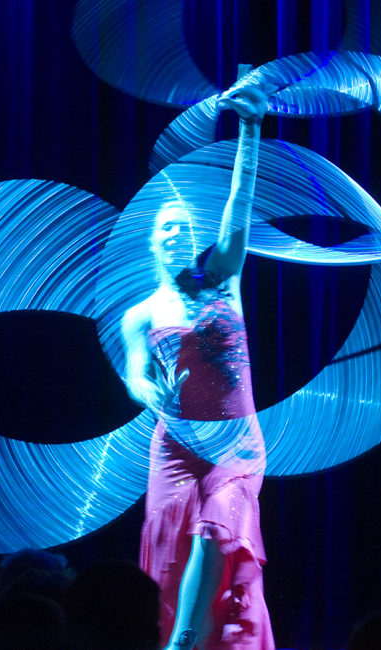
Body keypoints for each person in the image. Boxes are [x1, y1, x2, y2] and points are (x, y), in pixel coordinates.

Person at [122, 71, 276, 650]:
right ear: (151, 240)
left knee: (217, 532)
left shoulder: (223, 279)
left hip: (235, 442)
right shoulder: (139, 314)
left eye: (186, 227)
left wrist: (251, 128)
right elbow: (134, 376)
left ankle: (183, 643)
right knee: (170, 557)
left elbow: (240, 205)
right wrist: (150, 394)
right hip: (176, 448)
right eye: (167, 226)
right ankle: (177, 634)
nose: (177, 233)